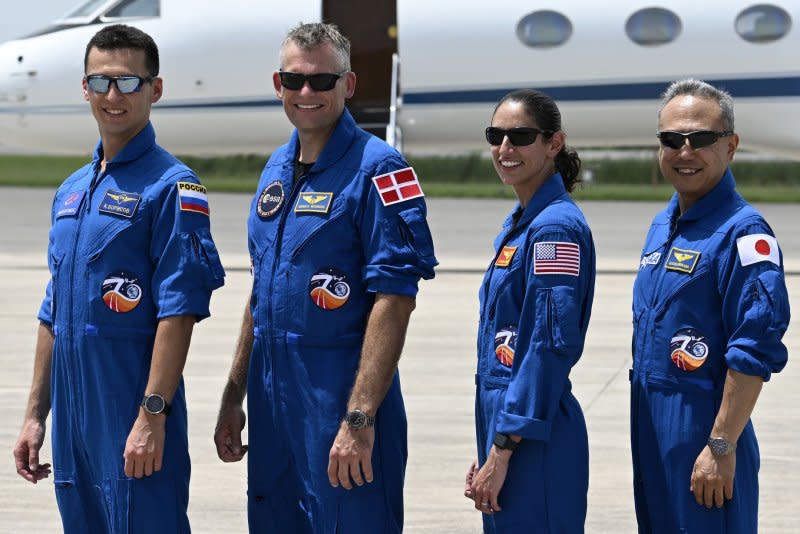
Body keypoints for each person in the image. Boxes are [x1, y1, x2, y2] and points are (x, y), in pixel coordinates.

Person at [213, 22, 437, 533]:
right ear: (278, 85)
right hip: (272, 407)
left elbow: (395, 299)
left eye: (322, 81)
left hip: (337, 401)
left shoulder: (380, 170)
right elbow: (261, 289)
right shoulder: (274, 169)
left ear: (349, 85)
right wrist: (234, 395)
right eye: (294, 81)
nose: (307, 93)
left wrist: (358, 420)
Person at [12, 24, 225, 533]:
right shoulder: (71, 191)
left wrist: (152, 415)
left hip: (132, 417)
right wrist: (36, 415)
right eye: (101, 82)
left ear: (155, 90)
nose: (114, 96)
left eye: (129, 83)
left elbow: (180, 310)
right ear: (84, 88)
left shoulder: (172, 188)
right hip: (72, 426)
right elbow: (52, 312)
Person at [630, 79, 790, 533]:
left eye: (701, 139)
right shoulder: (663, 226)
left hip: (703, 430)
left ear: (731, 145)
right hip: (650, 427)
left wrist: (720, 447)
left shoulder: (744, 234)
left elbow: (755, 348)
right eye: (671, 140)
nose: (685, 152)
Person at [464, 89, 596, 533]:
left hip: (532, 437)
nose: (505, 148)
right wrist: (491, 444)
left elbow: (547, 347)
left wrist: (502, 448)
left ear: (553, 144)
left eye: (520, 136)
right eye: (495, 135)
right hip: (511, 426)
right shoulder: (523, 223)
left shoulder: (554, 229)